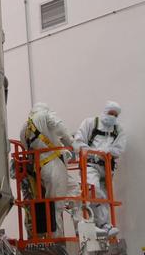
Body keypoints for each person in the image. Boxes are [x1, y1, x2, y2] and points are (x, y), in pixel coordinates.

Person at [19, 102, 79, 237]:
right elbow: (59, 126)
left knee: (74, 190)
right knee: (55, 205)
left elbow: (27, 148)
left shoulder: (24, 129)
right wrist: (73, 144)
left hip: (42, 167)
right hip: (53, 164)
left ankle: (80, 228)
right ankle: (56, 240)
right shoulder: (44, 115)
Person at [74, 101, 129, 233]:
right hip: (90, 164)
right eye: (111, 113)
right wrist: (94, 153)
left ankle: (104, 225)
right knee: (94, 189)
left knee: (104, 195)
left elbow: (119, 148)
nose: (113, 117)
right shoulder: (89, 123)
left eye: (116, 115)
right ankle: (98, 223)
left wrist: (107, 153)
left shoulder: (118, 130)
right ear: (104, 111)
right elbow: (78, 143)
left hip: (107, 168)